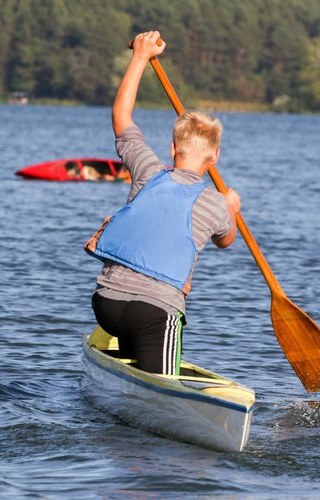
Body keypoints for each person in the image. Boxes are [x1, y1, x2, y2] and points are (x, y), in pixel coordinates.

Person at [84, 31, 240, 376]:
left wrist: (139, 57)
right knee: (163, 381)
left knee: (137, 349)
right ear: (215, 156)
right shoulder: (215, 203)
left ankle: (127, 379)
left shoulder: (147, 171)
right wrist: (231, 208)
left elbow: (121, 118)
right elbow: (226, 240)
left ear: (172, 148)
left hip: (106, 303)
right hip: (155, 313)